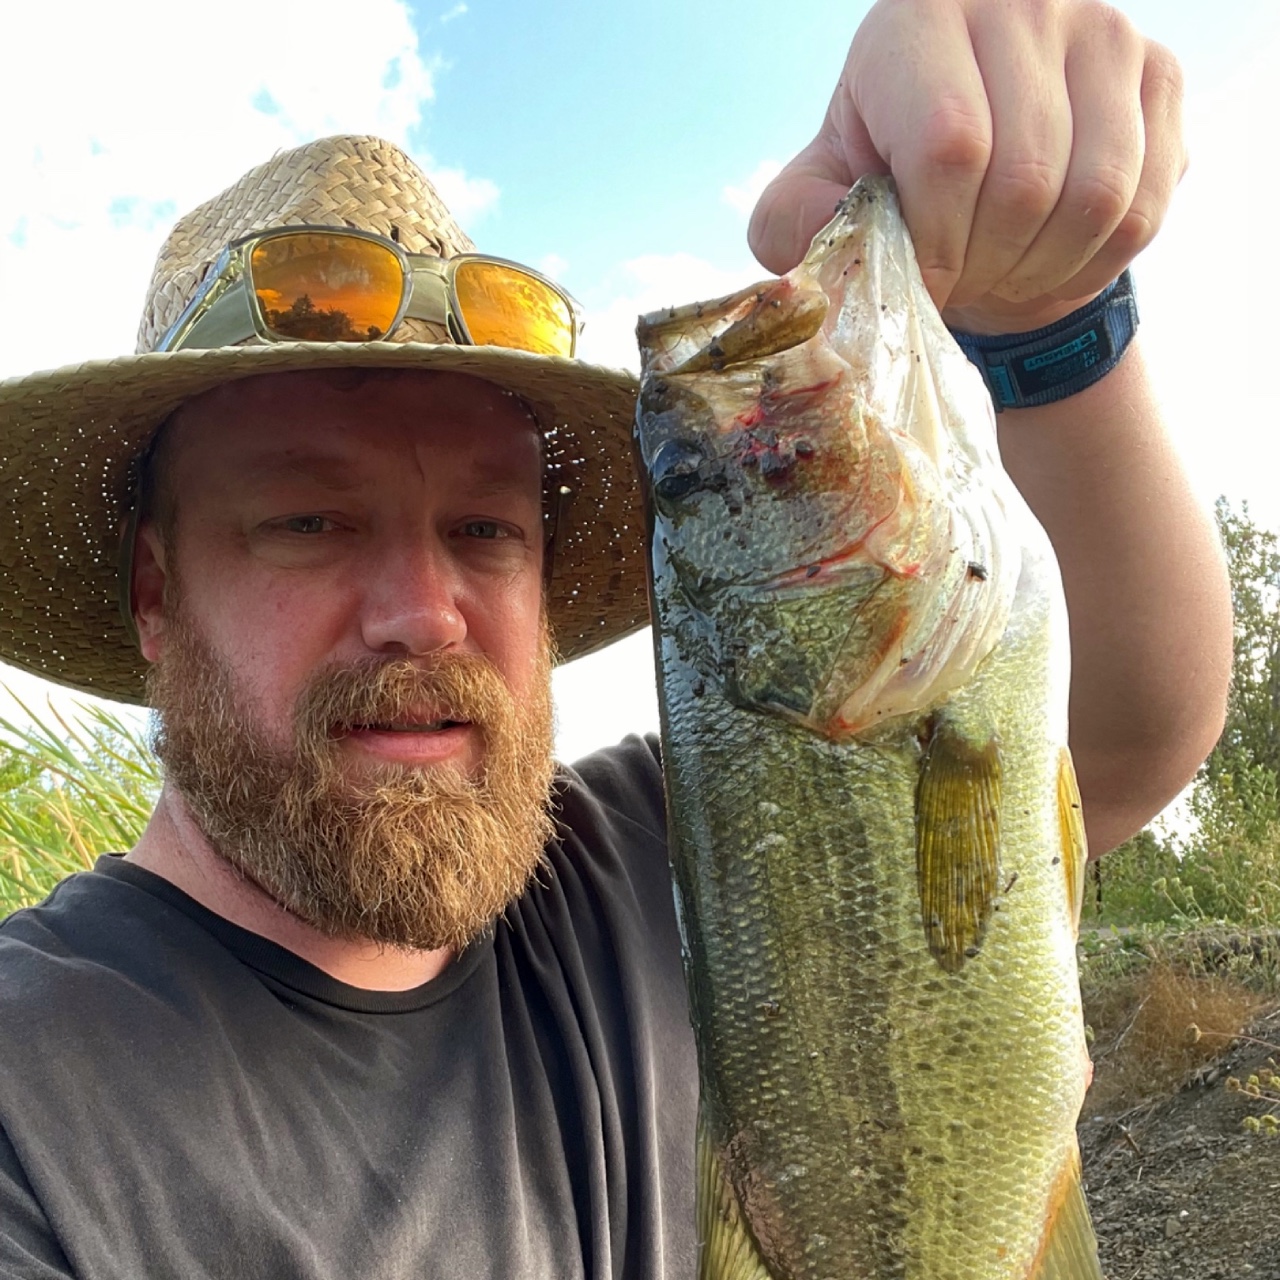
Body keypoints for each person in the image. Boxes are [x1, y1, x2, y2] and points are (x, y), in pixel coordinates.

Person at [0, 0, 1231, 1275]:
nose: (423, 612)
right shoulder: (32, 1117)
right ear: (156, 590)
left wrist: (1049, 316)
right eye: (308, 520)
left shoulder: (673, 859)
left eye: (486, 529)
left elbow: (1133, 730)